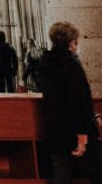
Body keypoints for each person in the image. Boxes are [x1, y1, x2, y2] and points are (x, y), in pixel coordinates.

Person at [40, 21, 102, 184]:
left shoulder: (46, 63)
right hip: (75, 130)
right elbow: (79, 102)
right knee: (97, 172)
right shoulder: (72, 65)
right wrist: (82, 138)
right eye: (76, 42)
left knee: (61, 175)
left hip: (54, 130)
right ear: (71, 43)